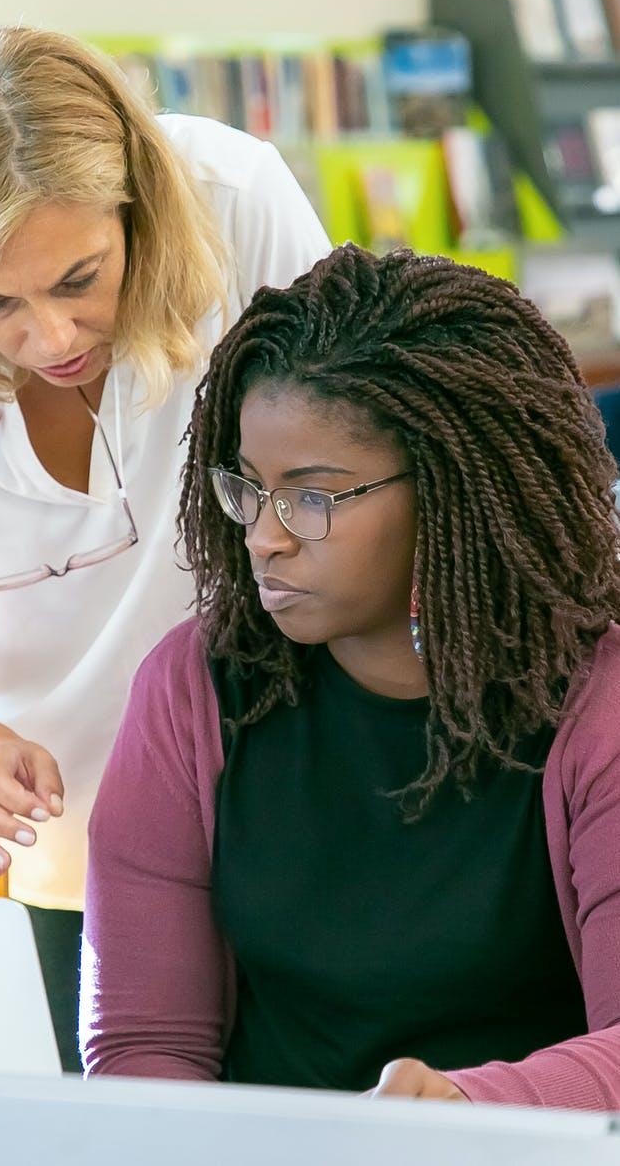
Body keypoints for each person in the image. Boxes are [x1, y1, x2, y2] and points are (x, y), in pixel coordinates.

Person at [0, 26, 330, 1068]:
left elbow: (340, 459)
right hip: (52, 846)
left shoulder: (235, 201)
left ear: (136, 204)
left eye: (80, 276)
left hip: (286, 787)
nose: (51, 336)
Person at [82, 245, 620, 1108]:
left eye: (310, 496)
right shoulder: (191, 689)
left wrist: (457, 1109)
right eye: (246, 488)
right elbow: (144, 1045)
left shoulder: (600, 706)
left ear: (452, 493)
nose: (263, 535)